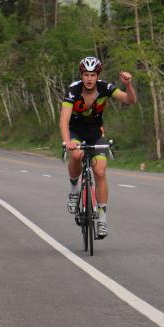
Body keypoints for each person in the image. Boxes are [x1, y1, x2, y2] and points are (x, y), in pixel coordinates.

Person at [60, 56, 136, 239]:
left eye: (92, 75)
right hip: (76, 133)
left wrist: (128, 85)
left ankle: (102, 218)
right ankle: (73, 190)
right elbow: (64, 120)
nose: (89, 79)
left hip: (95, 133)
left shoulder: (105, 88)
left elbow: (129, 100)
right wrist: (67, 141)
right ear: (81, 75)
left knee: (100, 171)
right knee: (77, 155)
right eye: (86, 74)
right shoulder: (73, 90)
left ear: (97, 75)